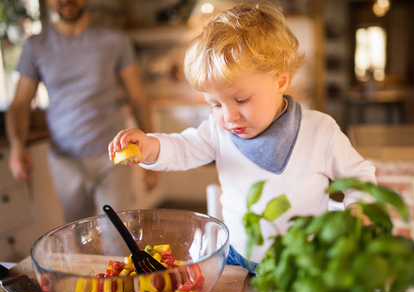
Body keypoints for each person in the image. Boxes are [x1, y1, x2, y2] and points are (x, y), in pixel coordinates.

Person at [108, 2, 376, 273]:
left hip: (303, 265)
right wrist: (150, 146)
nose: (229, 116)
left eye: (241, 99)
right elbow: (182, 148)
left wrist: (358, 209)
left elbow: (360, 175)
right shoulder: (218, 131)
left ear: (280, 81)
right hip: (236, 259)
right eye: (215, 105)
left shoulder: (319, 131)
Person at [6, 0, 158, 223]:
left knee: (118, 235)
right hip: (65, 161)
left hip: (114, 156)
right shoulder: (36, 46)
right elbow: (19, 104)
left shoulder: (115, 39)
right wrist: (17, 145)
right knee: (76, 237)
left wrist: (151, 157)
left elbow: (137, 97)